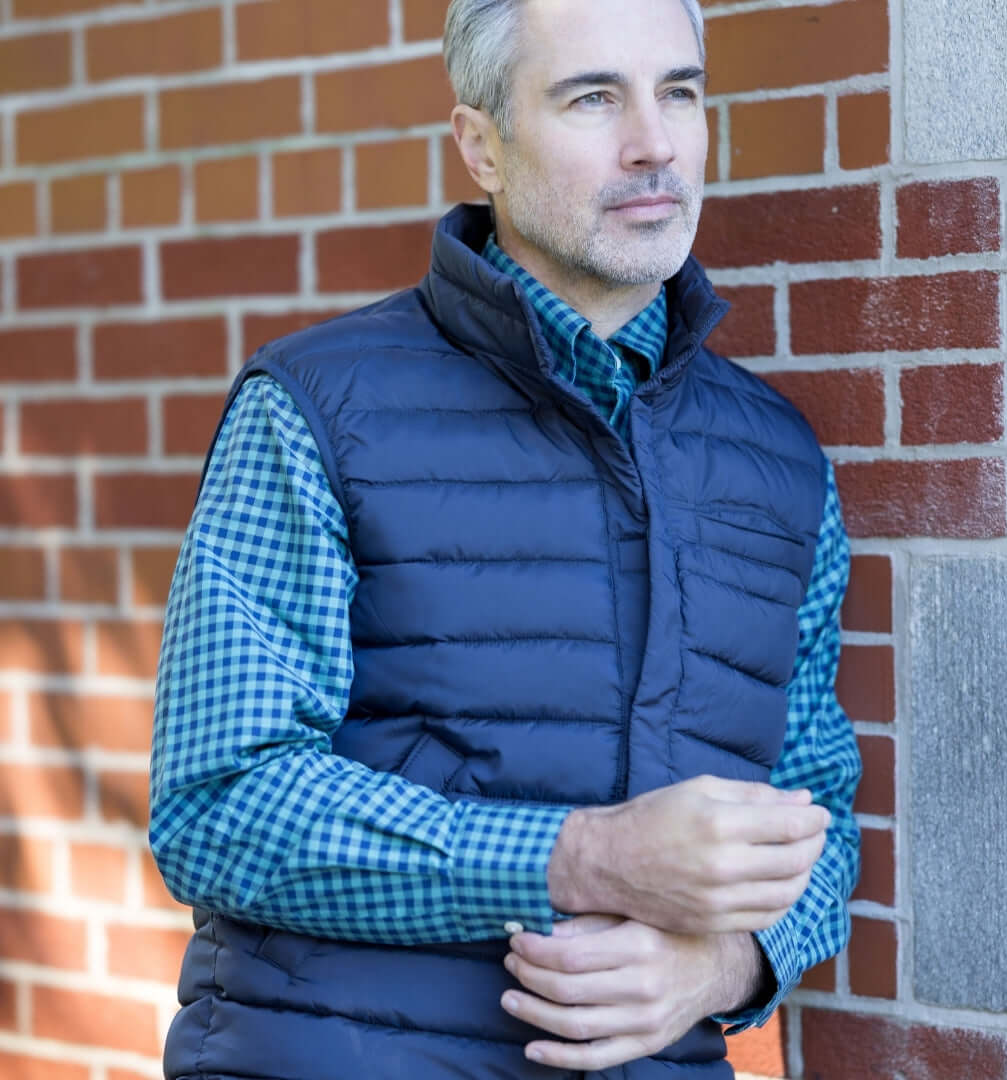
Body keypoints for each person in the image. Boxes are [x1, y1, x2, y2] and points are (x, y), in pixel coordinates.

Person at [150, 0, 861, 1076]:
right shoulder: (316, 409)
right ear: (482, 143)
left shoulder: (782, 464)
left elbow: (822, 819)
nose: (654, 142)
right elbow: (219, 803)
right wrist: (585, 858)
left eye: (681, 90)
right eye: (592, 97)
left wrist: (725, 968)